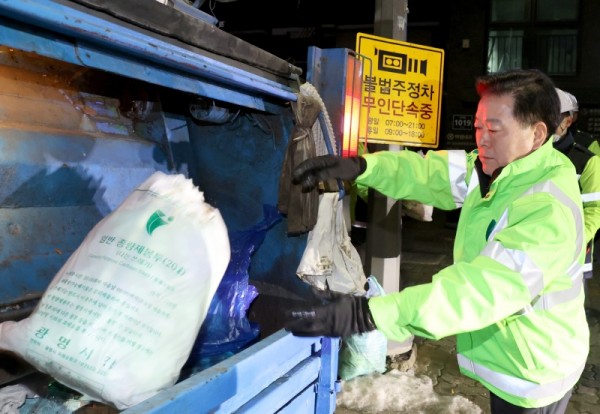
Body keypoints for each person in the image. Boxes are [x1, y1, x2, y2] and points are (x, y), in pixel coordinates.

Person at [286, 69, 589, 414]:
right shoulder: (497, 168)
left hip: (536, 371)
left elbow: (480, 290)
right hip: (515, 357)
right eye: (478, 128)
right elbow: (427, 173)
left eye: (493, 130)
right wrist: (362, 167)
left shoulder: (546, 206)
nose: (481, 141)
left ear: (536, 134)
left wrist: (370, 313)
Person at [554, 88, 600, 282]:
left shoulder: (586, 159)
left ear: (569, 120)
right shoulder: (529, 153)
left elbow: (594, 209)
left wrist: (577, 241)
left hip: (572, 253)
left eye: (554, 116)